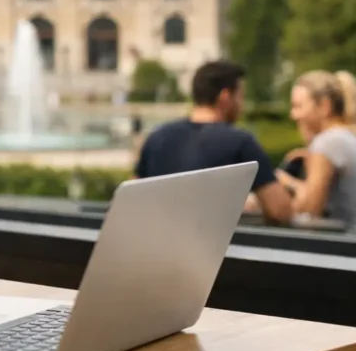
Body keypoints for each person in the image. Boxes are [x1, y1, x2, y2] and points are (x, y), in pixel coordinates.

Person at [133, 60, 292, 224]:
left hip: (157, 237)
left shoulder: (156, 137)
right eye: (240, 97)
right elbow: (279, 211)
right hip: (212, 240)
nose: (242, 105)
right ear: (225, 97)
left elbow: (133, 200)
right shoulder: (239, 142)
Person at [276, 71, 356, 229]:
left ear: (324, 106)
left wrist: (285, 181)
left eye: (298, 106)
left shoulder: (326, 142)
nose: (293, 115)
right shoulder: (345, 136)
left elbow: (310, 212)